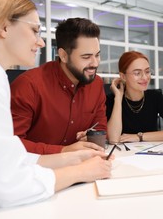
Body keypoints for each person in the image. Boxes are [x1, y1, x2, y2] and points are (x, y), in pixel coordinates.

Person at [0, 0, 111, 208]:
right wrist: (78, 171)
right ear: (4, 27)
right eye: (35, 30)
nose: (41, 42)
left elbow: (9, 155)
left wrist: (73, 157)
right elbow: (6, 184)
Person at [10, 17, 107, 154]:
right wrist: (63, 151)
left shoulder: (96, 84)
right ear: (63, 55)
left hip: (82, 166)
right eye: (86, 57)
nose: (95, 63)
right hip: (35, 170)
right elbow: (12, 144)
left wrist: (92, 136)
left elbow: (100, 127)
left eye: (97, 55)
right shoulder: (29, 85)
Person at [106, 51, 163, 143]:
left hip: (151, 153)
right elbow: (113, 139)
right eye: (137, 73)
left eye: (147, 71)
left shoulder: (155, 97)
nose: (145, 77)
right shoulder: (111, 100)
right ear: (123, 76)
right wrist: (118, 98)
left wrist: (139, 136)